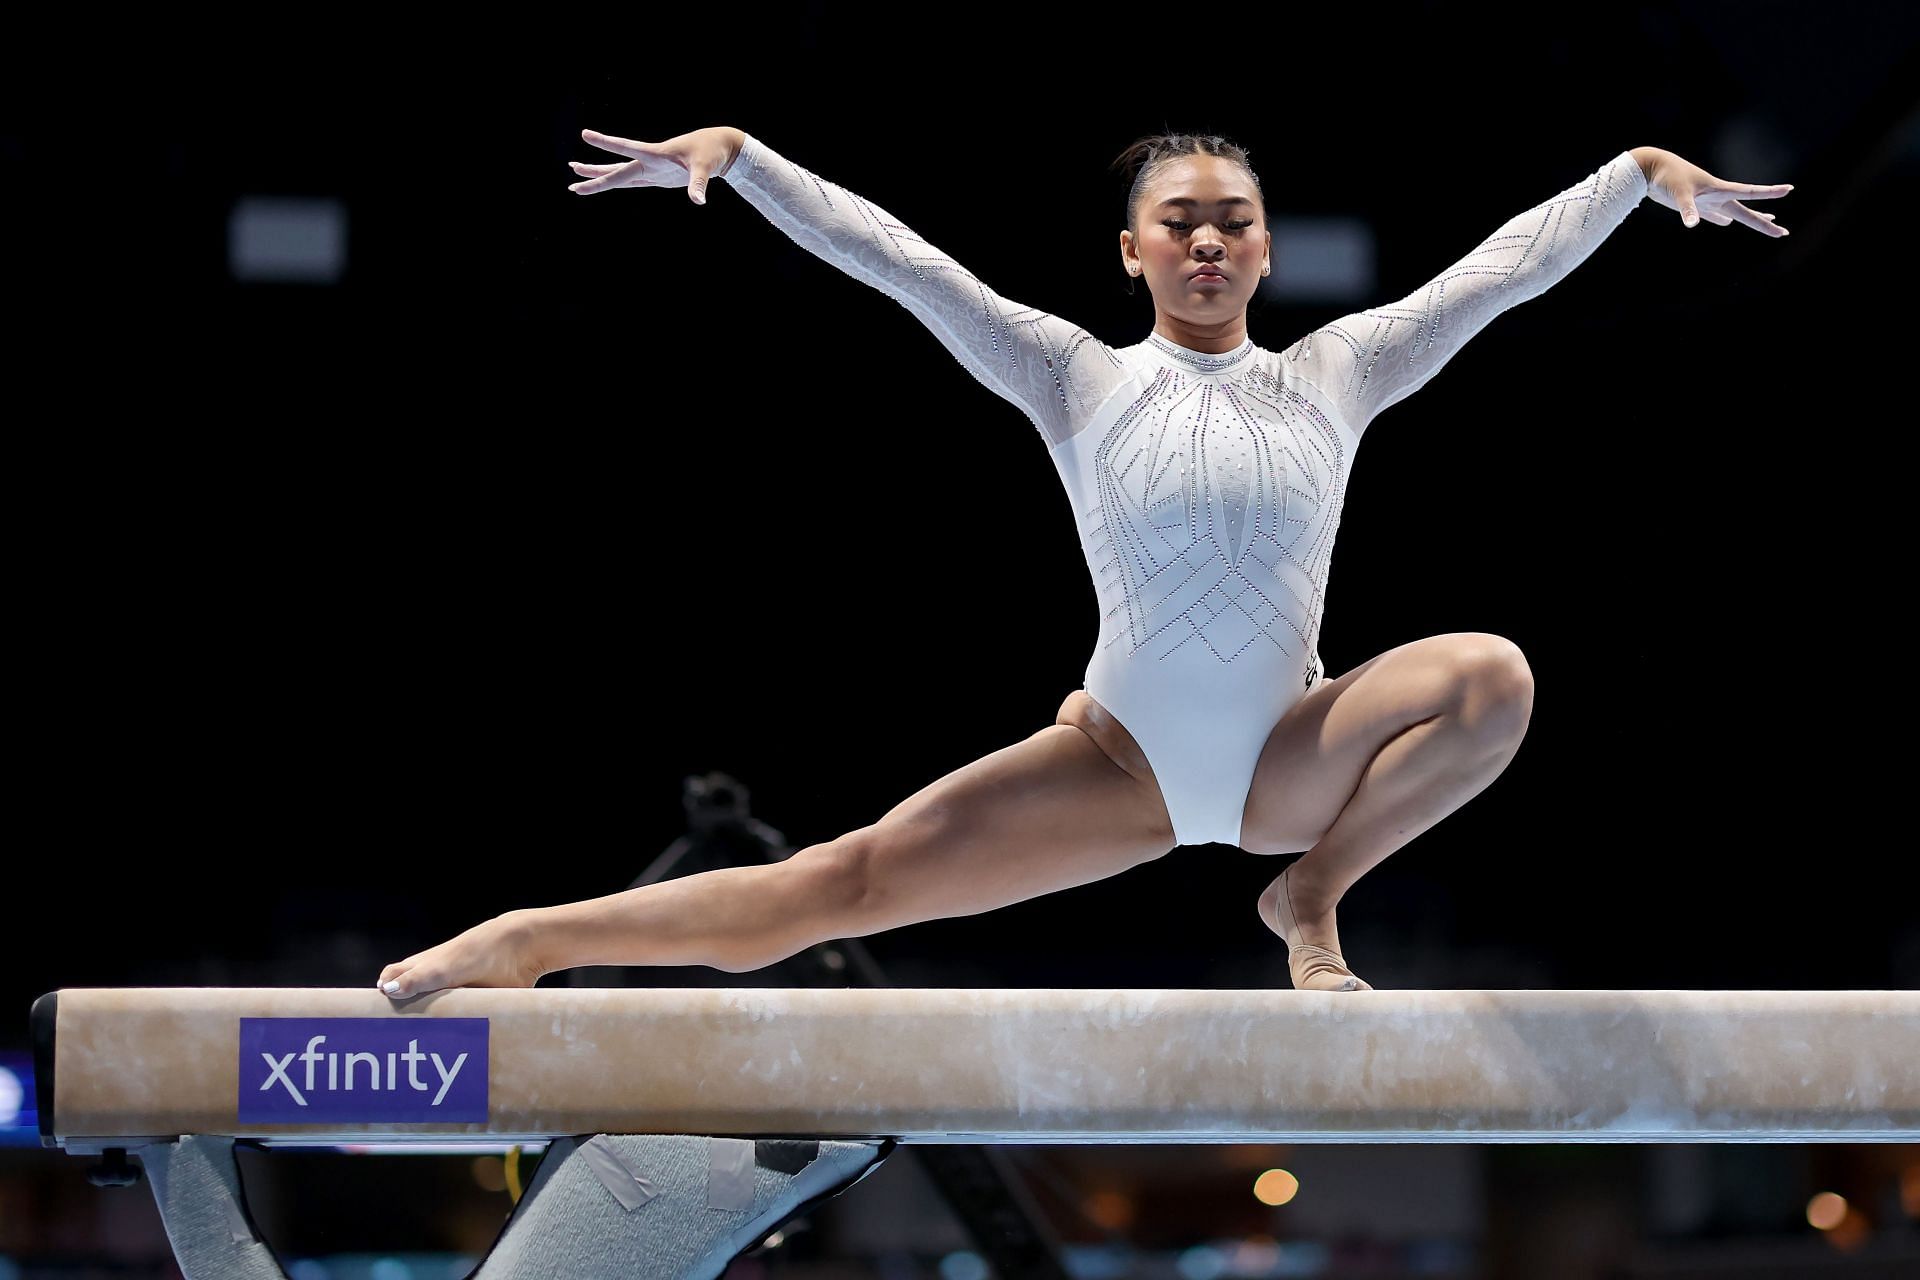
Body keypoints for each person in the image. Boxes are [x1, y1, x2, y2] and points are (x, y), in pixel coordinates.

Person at [378, 124, 1791, 999]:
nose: (1208, 238)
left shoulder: (1340, 370)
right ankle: (530, 937)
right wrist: (744, 162)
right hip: (1117, 763)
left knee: (1492, 676)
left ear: (1265, 247)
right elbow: (905, 264)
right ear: (1132, 250)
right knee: (839, 887)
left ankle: (1307, 900)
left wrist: (1635, 178)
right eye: (1179, 219)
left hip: (1291, 757)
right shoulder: (1072, 377)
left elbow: (1495, 273)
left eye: (1232, 219)